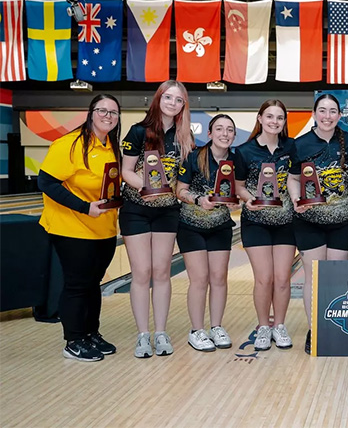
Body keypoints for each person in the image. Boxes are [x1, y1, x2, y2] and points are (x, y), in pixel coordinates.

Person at [38, 94, 122, 361]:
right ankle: (74, 340)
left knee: (93, 283)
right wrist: (85, 207)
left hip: (103, 229)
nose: (108, 116)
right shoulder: (70, 144)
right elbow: (46, 183)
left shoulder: (111, 145)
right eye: (103, 111)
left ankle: (90, 334)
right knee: (77, 284)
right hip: (71, 227)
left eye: (113, 113)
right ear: (91, 113)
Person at [120, 80, 195, 358]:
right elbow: (126, 170)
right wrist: (145, 187)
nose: (172, 103)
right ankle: (143, 335)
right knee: (141, 273)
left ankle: (161, 332)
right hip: (136, 210)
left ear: (182, 106)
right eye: (168, 97)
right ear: (158, 98)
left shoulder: (184, 137)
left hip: (166, 211)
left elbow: (180, 181)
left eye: (178, 100)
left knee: (162, 272)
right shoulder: (138, 131)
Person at [287, 94, 348, 355]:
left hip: (341, 220)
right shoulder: (300, 144)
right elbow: (293, 179)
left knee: (336, 277)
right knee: (314, 277)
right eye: (322, 111)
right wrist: (296, 199)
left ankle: (335, 327)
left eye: (332, 111)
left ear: (339, 115)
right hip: (309, 221)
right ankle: (315, 329)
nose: (327, 116)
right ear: (314, 113)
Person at [233, 100, 296, 354]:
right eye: (269, 116)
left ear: (284, 122)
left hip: (286, 221)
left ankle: (279, 325)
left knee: (282, 279)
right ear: (260, 118)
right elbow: (238, 186)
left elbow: (299, 178)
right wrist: (249, 200)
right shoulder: (244, 151)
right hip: (256, 221)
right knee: (264, 278)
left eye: (279, 118)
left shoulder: (291, 147)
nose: (274, 122)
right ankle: (263, 326)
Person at [175, 115, 238, 352]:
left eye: (229, 130)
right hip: (191, 225)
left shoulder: (236, 159)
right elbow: (180, 190)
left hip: (220, 226)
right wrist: (199, 199)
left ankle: (217, 327)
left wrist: (237, 202)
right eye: (219, 129)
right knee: (200, 279)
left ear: (234, 135)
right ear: (210, 133)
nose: (225, 133)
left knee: (219, 278)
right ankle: (197, 330)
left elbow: (238, 190)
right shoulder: (194, 157)